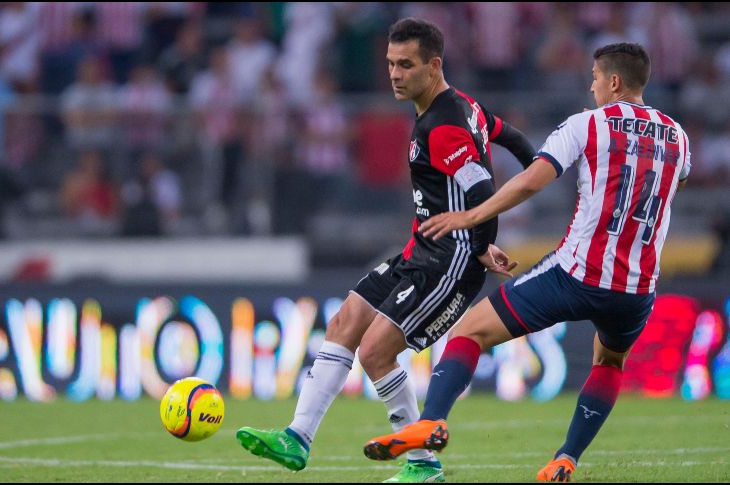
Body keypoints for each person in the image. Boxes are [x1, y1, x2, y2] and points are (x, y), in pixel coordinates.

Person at [363, 43, 692, 483]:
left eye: (595, 77)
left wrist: (473, 215)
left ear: (613, 82)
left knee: (470, 331)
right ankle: (566, 458)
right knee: (610, 363)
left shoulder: (588, 125)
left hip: (575, 273)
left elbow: (531, 181)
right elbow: (675, 183)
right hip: (636, 289)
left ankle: (433, 420)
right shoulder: (678, 136)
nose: (591, 85)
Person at [236, 18, 535, 483]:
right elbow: (511, 138)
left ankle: (422, 463)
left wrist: (480, 247)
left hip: (448, 262)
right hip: (419, 251)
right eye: (391, 64)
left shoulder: (443, 126)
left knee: (375, 352)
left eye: (406, 65)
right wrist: (536, 166)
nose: (394, 74)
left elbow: (480, 192)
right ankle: (297, 437)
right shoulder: (463, 106)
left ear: (434, 66)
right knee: (344, 322)